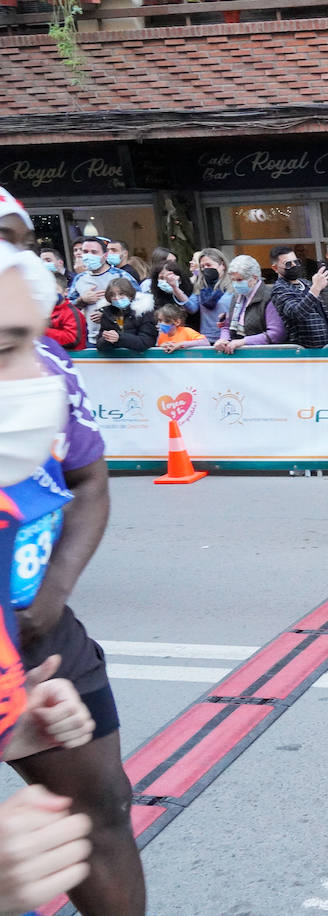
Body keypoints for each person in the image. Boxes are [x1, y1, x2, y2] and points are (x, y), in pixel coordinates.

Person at [0, 243, 147, 914]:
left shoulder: (44, 376)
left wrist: (46, 597)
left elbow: (89, 482)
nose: (36, 374)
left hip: (34, 639)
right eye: (5, 351)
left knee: (101, 805)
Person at [65, 237, 136, 346]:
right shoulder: (79, 279)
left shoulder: (121, 276)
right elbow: (67, 308)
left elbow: (140, 304)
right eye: (85, 252)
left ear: (105, 255)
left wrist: (108, 314)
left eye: (94, 252)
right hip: (91, 339)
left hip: (120, 338)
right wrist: (82, 300)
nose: (89, 255)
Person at [269, 245, 328, 348]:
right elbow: (297, 313)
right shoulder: (279, 289)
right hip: (304, 351)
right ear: (275, 268)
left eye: (296, 262)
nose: (294, 266)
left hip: (327, 346)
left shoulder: (306, 283)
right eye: (288, 264)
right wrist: (315, 289)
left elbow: (323, 312)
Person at [215, 255, 285, 353]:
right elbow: (227, 326)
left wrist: (243, 342)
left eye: (239, 280)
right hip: (238, 355)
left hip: (265, 356)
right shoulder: (236, 296)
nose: (235, 284)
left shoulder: (270, 297)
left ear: (254, 278)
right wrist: (223, 340)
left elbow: (276, 334)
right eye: (233, 280)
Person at [178, 248, 232, 338]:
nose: (206, 269)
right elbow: (192, 308)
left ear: (222, 265)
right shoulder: (201, 286)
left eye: (209, 265)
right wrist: (175, 288)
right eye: (202, 267)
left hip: (228, 338)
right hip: (207, 338)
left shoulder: (233, 286)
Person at [94, 280, 157, 352]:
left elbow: (146, 342)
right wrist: (106, 339)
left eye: (121, 294)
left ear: (130, 295)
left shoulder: (143, 311)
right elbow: (99, 345)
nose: (117, 298)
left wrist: (120, 338)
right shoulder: (107, 313)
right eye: (112, 295)